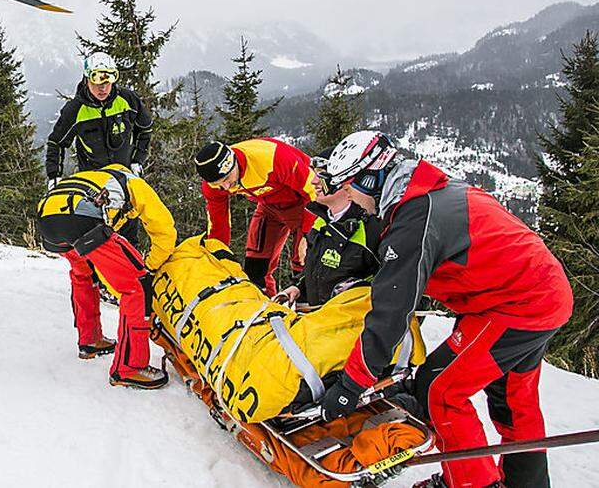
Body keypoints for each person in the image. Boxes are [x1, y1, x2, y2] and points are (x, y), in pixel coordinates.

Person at [317, 131, 573, 488]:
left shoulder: (414, 218)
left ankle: (472, 484)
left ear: (371, 178)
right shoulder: (425, 191)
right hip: (542, 291)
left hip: (514, 305)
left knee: (439, 388)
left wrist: (351, 383)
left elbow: (391, 313)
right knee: (514, 400)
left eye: (349, 186)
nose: (352, 197)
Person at [36, 163, 177, 389]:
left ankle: (90, 340)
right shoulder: (134, 185)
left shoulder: (94, 178)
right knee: (137, 284)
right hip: (81, 221)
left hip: (47, 223)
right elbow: (165, 231)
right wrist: (149, 266)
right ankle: (130, 367)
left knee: (84, 274)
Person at [45, 52, 152, 247]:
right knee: (97, 237)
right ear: (87, 79)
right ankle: (98, 276)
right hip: (94, 185)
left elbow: (145, 128)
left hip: (125, 179)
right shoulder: (75, 110)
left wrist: (138, 160)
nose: (102, 87)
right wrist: (54, 176)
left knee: (129, 232)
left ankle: (130, 275)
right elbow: (57, 142)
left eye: (108, 79)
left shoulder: (127, 99)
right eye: (96, 79)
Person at [193, 138, 318, 296]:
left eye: (226, 179)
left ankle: (307, 305)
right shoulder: (214, 186)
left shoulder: (273, 158)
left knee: (304, 259)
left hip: (303, 202)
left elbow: (315, 191)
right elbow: (219, 222)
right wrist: (218, 254)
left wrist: (310, 233)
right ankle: (267, 309)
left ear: (234, 163)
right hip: (268, 206)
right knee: (256, 265)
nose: (225, 187)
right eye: (218, 184)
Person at [275, 155, 382, 308]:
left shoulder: (372, 228)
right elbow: (316, 269)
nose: (314, 181)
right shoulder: (321, 222)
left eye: (322, 175)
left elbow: (396, 283)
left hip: (355, 326)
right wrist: (298, 286)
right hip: (319, 322)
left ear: (344, 179)